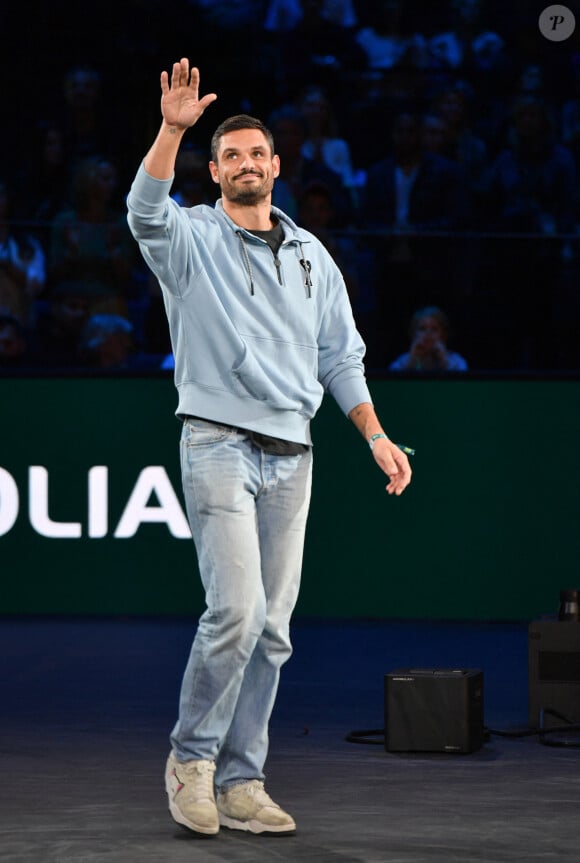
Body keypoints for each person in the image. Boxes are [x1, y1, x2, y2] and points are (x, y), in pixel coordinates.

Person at [126, 59, 412, 838]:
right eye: (231, 157)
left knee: (274, 629)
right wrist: (173, 129)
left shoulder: (313, 255)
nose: (247, 165)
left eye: (258, 154)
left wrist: (376, 435)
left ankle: (244, 779)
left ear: (277, 165)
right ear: (215, 172)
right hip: (216, 442)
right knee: (237, 610)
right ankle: (192, 761)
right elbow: (144, 211)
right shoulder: (190, 238)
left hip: (295, 453)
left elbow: (340, 356)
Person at [389, 305, 468, 371]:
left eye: (434, 329)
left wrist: (444, 362)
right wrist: (412, 359)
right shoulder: (404, 360)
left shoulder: (456, 360)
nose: (428, 334)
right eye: (422, 328)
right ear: (413, 333)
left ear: (443, 334)